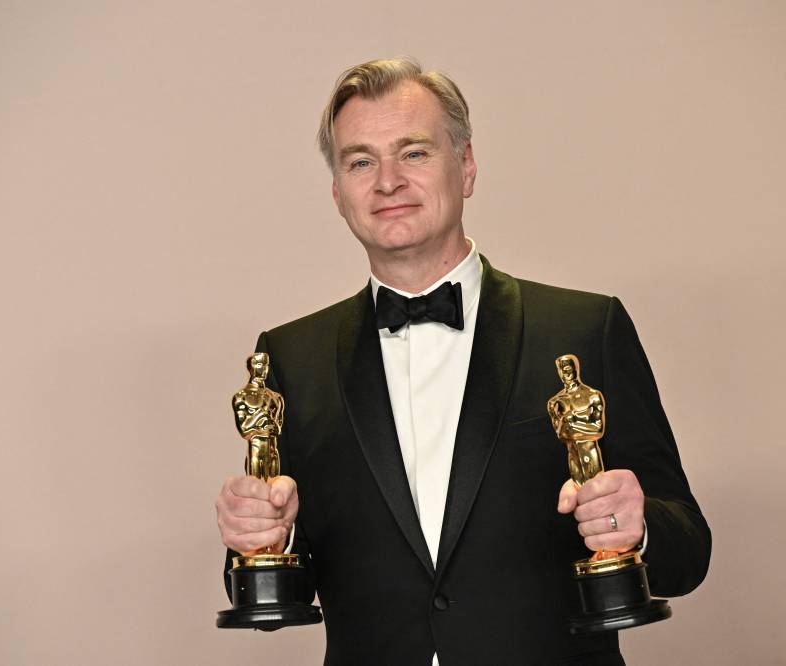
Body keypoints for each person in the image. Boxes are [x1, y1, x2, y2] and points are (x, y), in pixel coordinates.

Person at [214, 58, 711, 665]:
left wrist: (640, 526)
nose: (387, 181)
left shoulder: (584, 328)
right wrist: (265, 537)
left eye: (414, 153)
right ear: (337, 191)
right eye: (361, 160)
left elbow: (689, 553)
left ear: (467, 166)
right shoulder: (289, 356)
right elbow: (285, 587)